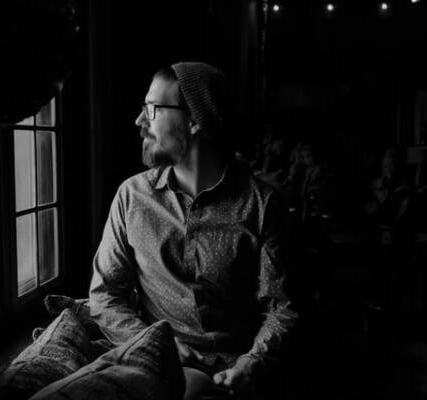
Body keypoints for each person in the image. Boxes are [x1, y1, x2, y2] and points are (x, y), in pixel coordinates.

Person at [89, 62, 297, 399]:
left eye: (152, 109)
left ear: (195, 120)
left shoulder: (263, 206)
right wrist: (155, 344)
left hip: (235, 371)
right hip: (154, 363)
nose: (139, 121)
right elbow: (104, 295)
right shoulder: (132, 197)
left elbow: (282, 307)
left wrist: (253, 363)